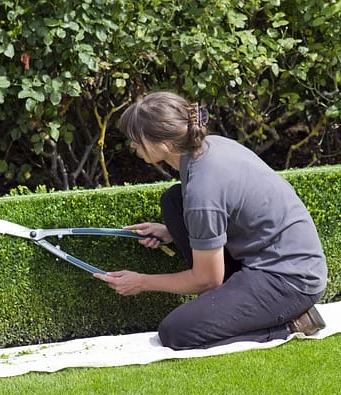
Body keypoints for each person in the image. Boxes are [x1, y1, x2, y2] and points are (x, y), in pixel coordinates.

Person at [93, 91, 327, 350]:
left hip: (289, 280)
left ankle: (292, 323)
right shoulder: (209, 147)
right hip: (275, 258)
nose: (132, 146)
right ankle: (229, 306)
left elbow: (207, 280)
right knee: (173, 202)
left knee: (176, 332)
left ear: (165, 144)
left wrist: (142, 281)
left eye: (137, 140)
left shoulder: (203, 190)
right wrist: (170, 231)